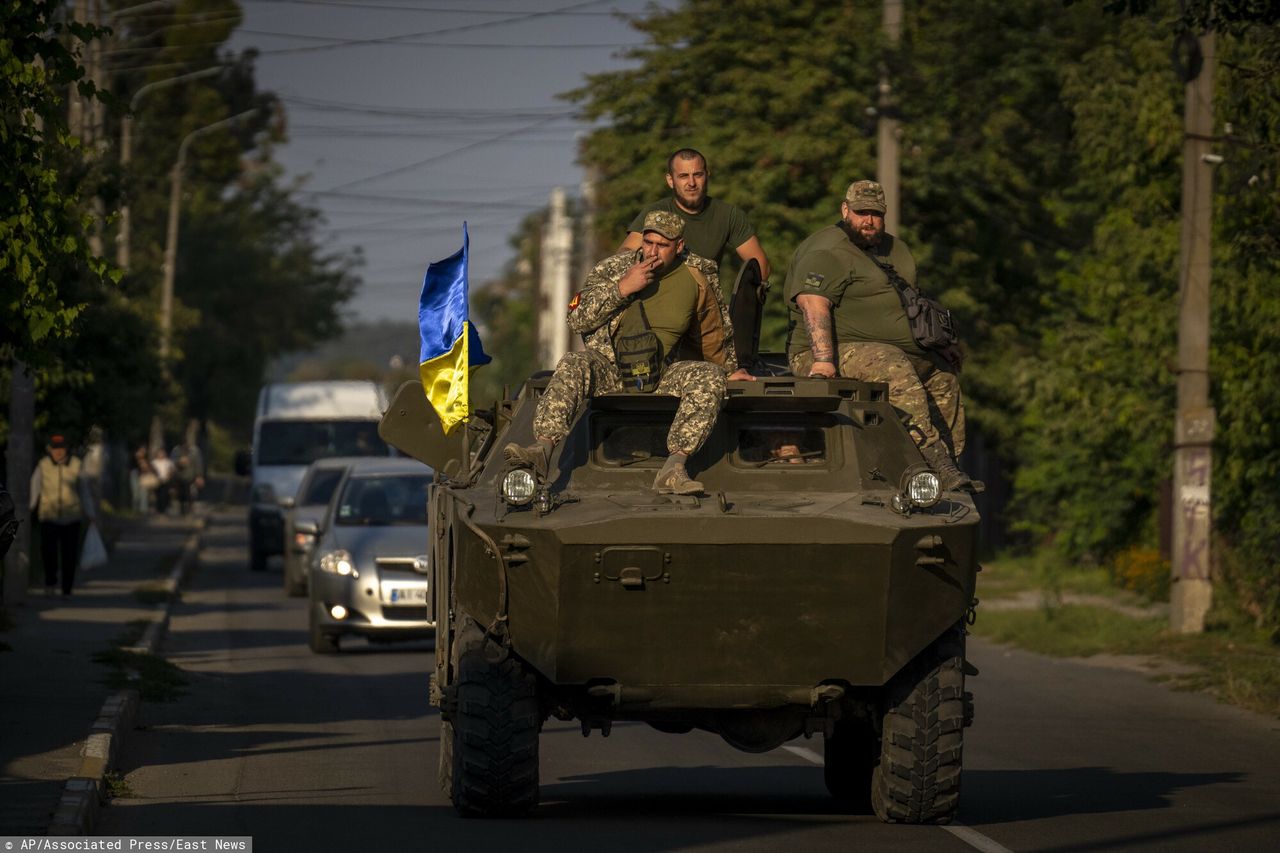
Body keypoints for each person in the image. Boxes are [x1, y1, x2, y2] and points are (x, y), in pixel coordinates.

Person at [505, 210, 752, 495]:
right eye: (648, 242)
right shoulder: (613, 269)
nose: (652, 251)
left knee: (709, 376)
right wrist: (622, 288)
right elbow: (577, 319)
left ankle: (673, 468)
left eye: (662, 245)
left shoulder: (699, 274)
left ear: (680, 246)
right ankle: (542, 450)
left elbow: (713, 329)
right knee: (574, 362)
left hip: (662, 372)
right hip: (610, 368)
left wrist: (729, 369)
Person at [784, 180, 973, 490]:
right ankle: (928, 455)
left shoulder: (896, 249)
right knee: (891, 362)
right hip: (826, 351)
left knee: (943, 376)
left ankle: (948, 466)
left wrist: (942, 345)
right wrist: (823, 360)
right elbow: (813, 303)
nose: (868, 221)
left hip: (891, 353)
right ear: (845, 210)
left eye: (876, 213)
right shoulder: (827, 251)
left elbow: (909, 301)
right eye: (861, 213)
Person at [619, 148, 771, 284]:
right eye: (683, 176)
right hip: (659, 300)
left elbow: (761, 266)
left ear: (707, 175)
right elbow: (624, 254)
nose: (691, 183)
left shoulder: (728, 215)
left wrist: (739, 305)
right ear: (670, 180)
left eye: (697, 175)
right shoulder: (654, 213)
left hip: (705, 303)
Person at [28, 434, 96, 595]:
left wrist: (91, 513)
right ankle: (50, 582)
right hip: (48, 516)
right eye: (55, 448)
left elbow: (84, 491)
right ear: (50, 449)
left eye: (61, 448)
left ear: (67, 449)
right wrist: (29, 509)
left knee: (69, 555)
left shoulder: (76, 465)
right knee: (48, 553)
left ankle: (67, 588)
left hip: (71, 517)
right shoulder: (43, 465)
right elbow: (35, 489)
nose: (58, 452)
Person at [150, 446, 175, 515]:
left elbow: (172, 470)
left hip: (165, 480)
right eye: (159, 453)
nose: (161, 455)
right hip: (157, 480)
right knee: (158, 495)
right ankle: (158, 509)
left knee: (164, 495)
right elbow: (151, 470)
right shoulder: (154, 462)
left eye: (162, 453)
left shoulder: (168, 462)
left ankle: (163, 509)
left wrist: (169, 474)